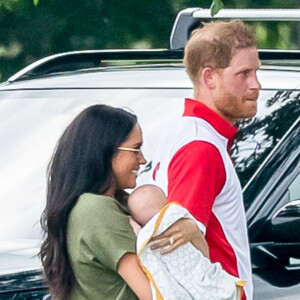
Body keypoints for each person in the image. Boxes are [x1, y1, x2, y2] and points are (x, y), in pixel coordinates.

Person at [39, 104, 205, 300]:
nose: (142, 160)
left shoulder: (125, 204)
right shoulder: (95, 210)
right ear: (105, 151)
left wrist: (191, 230)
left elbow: (198, 267)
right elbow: (156, 293)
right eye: (135, 149)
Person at [151, 21, 261, 300]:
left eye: (256, 72)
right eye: (244, 74)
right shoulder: (202, 147)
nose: (256, 85)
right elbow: (177, 248)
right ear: (209, 77)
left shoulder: (179, 133)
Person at [128, 184, 245, 300]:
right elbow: (203, 252)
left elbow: (141, 238)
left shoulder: (147, 235)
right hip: (203, 274)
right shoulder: (180, 216)